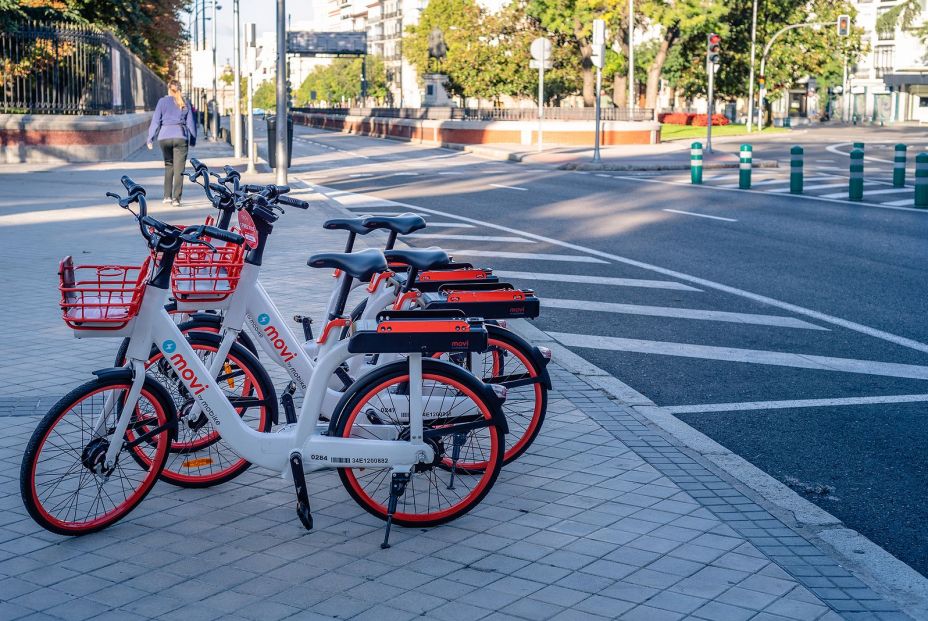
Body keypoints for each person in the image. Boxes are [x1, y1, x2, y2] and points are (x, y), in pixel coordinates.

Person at [147, 80, 197, 206]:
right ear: (180, 89)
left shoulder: (162, 102)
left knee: (169, 165)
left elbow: (155, 121)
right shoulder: (184, 102)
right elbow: (191, 123)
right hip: (180, 137)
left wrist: (150, 138)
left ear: (169, 89)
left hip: (164, 137)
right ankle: (176, 199)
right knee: (179, 169)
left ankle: (167, 196)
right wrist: (193, 140)